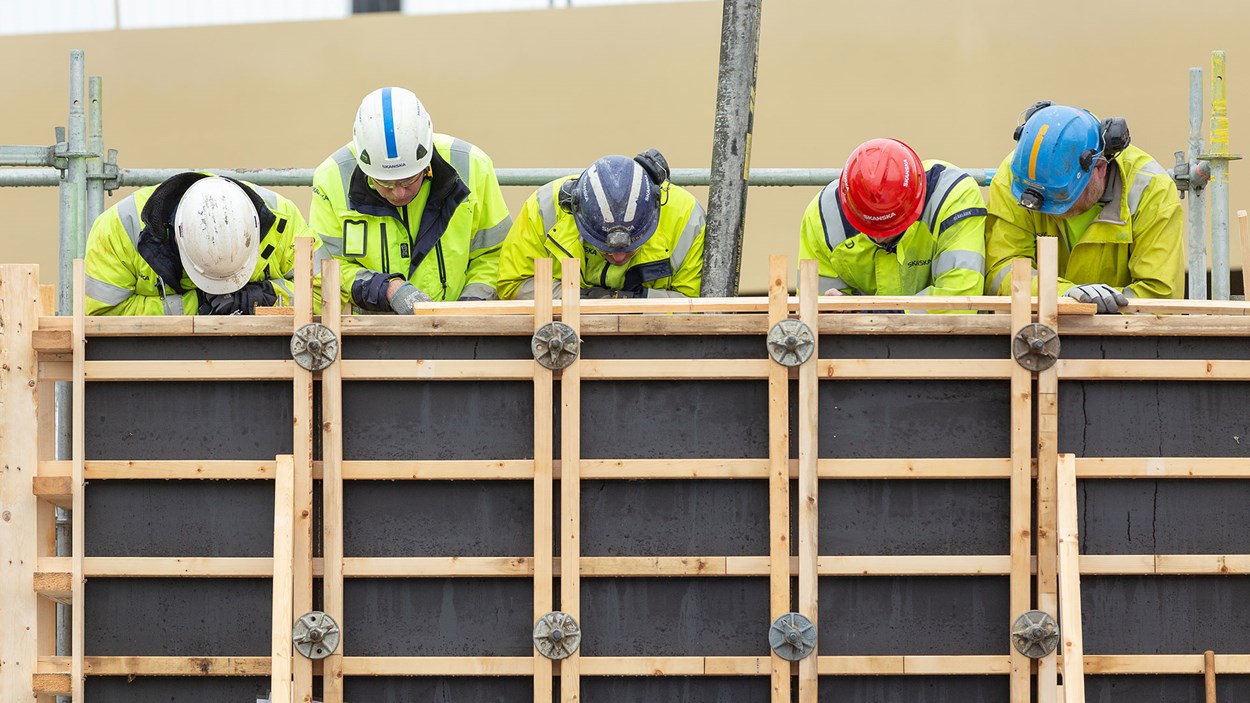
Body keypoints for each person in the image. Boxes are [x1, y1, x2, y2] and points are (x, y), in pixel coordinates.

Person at [310, 87, 511, 313]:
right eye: (385, 183)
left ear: (426, 162)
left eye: (409, 180)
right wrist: (387, 289)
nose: (399, 193)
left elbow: (494, 254)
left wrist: (471, 307)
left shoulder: (473, 166)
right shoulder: (331, 178)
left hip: (460, 329)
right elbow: (324, 267)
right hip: (369, 331)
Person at [984, 102, 1183, 313]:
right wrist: (1064, 294)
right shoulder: (1019, 177)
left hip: (1122, 337)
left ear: (1100, 167)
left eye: (1062, 196)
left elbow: (1161, 296)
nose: (1052, 211)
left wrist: (1093, 308)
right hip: (1037, 323)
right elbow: (1001, 271)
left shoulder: (1150, 189)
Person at [798, 138, 986, 309]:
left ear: (917, 201)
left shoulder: (954, 196)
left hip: (942, 343)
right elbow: (815, 311)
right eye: (869, 228)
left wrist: (866, 315)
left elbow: (959, 299)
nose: (880, 238)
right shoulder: (823, 217)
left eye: (893, 227)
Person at [84, 172, 305, 315]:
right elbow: (100, 317)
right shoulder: (119, 230)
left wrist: (267, 297)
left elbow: (322, 294)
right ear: (176, 239)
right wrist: (197, 305)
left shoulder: (283, 221)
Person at [496, 149, 705, 299]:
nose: (619, 257)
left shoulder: (685, 218)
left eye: (633, 244)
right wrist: (584, 299)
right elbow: (513, 285)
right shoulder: (544, 207)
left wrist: (632, 301)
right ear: (573, 211)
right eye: (602, 245)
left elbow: (693, 303)